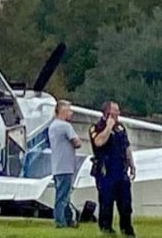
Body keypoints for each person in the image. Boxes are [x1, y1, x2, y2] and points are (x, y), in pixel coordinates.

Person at [89, 101, 136, 237]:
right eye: (116, 111)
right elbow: (99, 142)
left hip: (121, 171)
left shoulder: (121, 128)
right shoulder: (96, 127)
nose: (119, 113)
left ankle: (127, 229)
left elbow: (126, 147)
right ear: (108, 113)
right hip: (106, 171)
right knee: (106, 203)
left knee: (126, 203)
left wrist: (131, 164)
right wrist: (108, 127)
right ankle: (106, 229)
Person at [48, 99, 82, 228]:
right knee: (62, 197)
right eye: (69, 110)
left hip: (57, 166)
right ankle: (60, 222)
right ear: (63, 111)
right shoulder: (65, 126)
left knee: (64, 196)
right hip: (66, 167)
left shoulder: (52, 126)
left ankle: (69, 220)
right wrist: (77, 140)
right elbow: (77, 142)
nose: (71, 113)